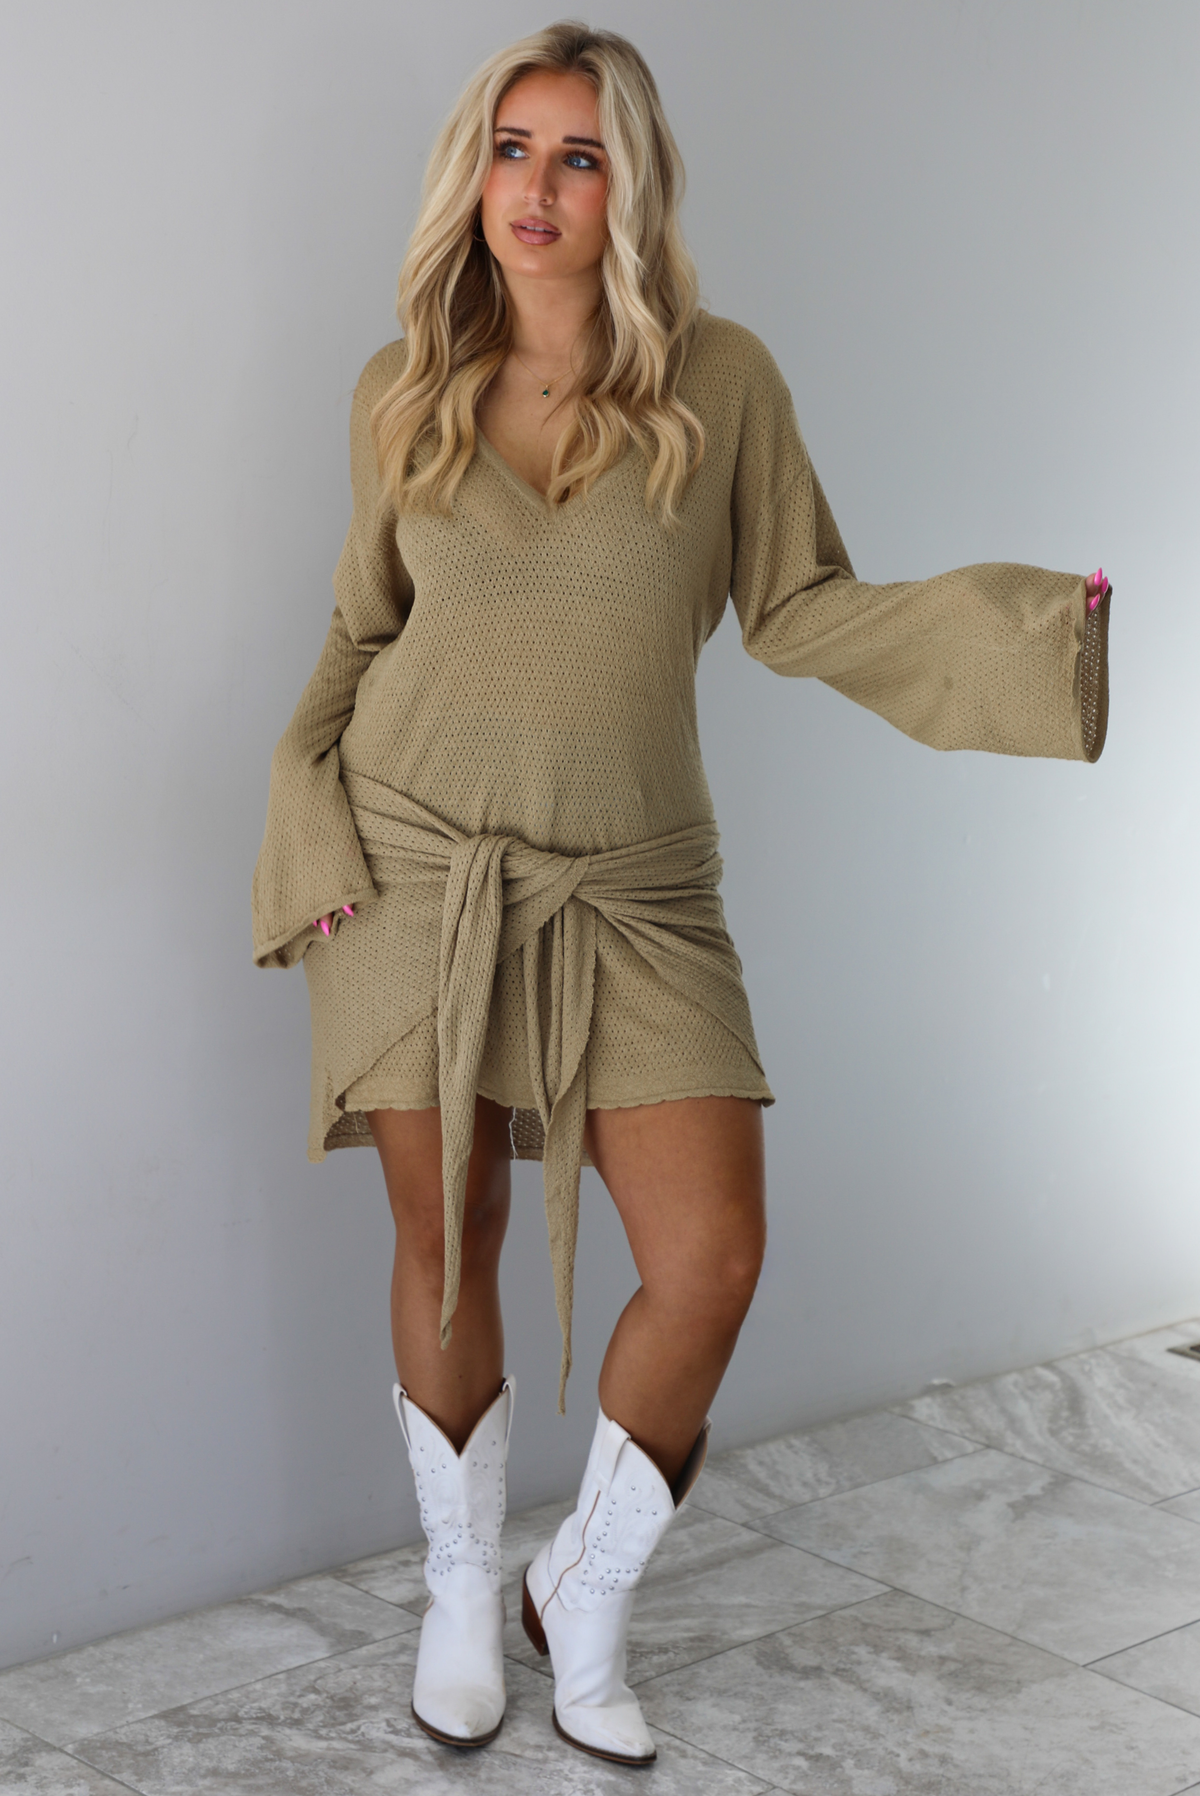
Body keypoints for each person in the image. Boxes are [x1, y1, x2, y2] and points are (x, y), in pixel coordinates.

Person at [251, 19, 1110, 1767]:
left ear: (630, 188)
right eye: (512, 150)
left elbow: (799, 604)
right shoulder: (404, 388)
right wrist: (303, 834)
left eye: (579, 156)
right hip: (412, 869)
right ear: (472, 177)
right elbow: (360, 628)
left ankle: (581, 1591)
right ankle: (459, 1595)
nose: (538, 189)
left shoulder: (723, 385)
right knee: (446, 1239)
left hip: (635, 889)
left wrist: (1031, 633)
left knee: (710, 1258)